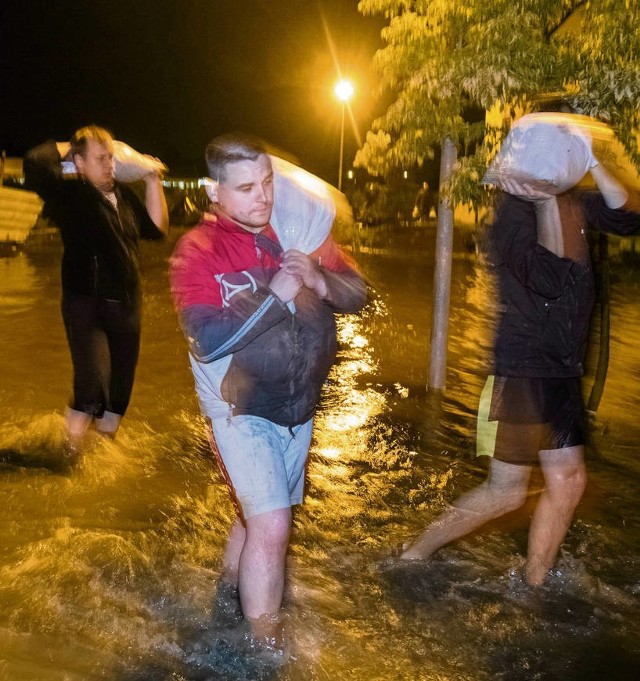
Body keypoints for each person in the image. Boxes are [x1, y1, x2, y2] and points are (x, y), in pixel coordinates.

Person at [400, 121, 640, 586]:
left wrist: (593, 161)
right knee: (506, 492)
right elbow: (551, 278)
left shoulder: (578, 202)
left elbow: (631, 217)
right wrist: (544, 200)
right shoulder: (510, 215)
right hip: (522, 369)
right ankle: (413, 554)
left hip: (563, 369)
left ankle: (532, 583)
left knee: (569, 482)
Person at [169, 132, 366, 647]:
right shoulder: (198, 252)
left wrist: (322, 282)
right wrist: (276, 295)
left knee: (259, 515)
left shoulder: (297, 228)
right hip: (240, 410)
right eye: (245, 188)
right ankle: (265, 650)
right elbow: (207, 342)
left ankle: (227, 591)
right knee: (274, 525)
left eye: (267, 181)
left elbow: (359, 294)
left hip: (298, 409)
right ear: (215, 192)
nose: (263, 196)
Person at [23, 126, 168, 451]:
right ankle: (69, 459)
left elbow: (157, 229)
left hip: (128, 308)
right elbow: (34, 161)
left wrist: (151, 179)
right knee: (90, 389)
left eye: (112, 158)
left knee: (118, 397)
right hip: (86, 305)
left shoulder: (123, 198)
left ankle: (104, 459)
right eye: (101, 158)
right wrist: (74, 145)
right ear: (80, 162)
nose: (110, 165)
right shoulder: (69, 195)